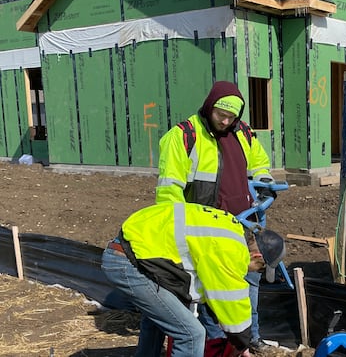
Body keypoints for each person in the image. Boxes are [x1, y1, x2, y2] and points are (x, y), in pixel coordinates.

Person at [156, 81, 275, 353]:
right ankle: (217, 344)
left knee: (249, 281)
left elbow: (259, 161)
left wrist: (264, 181)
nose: (225, 120)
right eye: (221, 114)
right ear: (210, 105)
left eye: (232, 116)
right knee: (211, 289)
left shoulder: (242, 132)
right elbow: (169, 191)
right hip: (205, 231)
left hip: (241, 223)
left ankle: (248, 338)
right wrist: (175, 233)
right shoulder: (185, 136)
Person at [101, 202, 286, 357]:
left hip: (132, 251)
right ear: (255, 255)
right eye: (259, 269)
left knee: (162, 317)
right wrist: (242, 342)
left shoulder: (231, 230)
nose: (254, 273)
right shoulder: (233, 252)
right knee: (191, 334)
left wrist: (236, 338)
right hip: (128, 262)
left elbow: (208, 289)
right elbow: (232, 303)